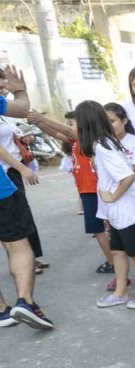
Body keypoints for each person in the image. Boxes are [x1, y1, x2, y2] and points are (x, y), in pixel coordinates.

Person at [75, 100, 135, 310]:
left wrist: (112, 196)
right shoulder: (103, 144)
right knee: (118, 252)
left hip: (126, 210)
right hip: (117, 212)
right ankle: (120, 292)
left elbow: (128, 175)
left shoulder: (103, 146)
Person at [0, 65, 53, 330]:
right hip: (2, 185)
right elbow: (21, 109)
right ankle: (25, 302)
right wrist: (19, 90)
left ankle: (2, 311)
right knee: (18, 245)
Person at [28, 110, 114, 275]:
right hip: (87, 190)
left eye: (71, 123)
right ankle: (114, 259)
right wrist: (38, 123)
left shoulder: (88, 138)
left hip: (92, 190)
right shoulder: (78, 140)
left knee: (99, 229)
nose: (68, 127)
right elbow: (57, 133)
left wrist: (42, 118)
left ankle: (112, 261)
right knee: (102, 228)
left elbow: (66, 131)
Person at [0, 77, 46, 275]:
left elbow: (21, 109)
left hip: (11, 171)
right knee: (13, 225)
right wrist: (21, 168)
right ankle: (22, 266)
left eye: (5, 86)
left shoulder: (3, 112)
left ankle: (28, 260)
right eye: (0, 86)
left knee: (21, 218)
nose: (4, 89)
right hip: (6, 173)